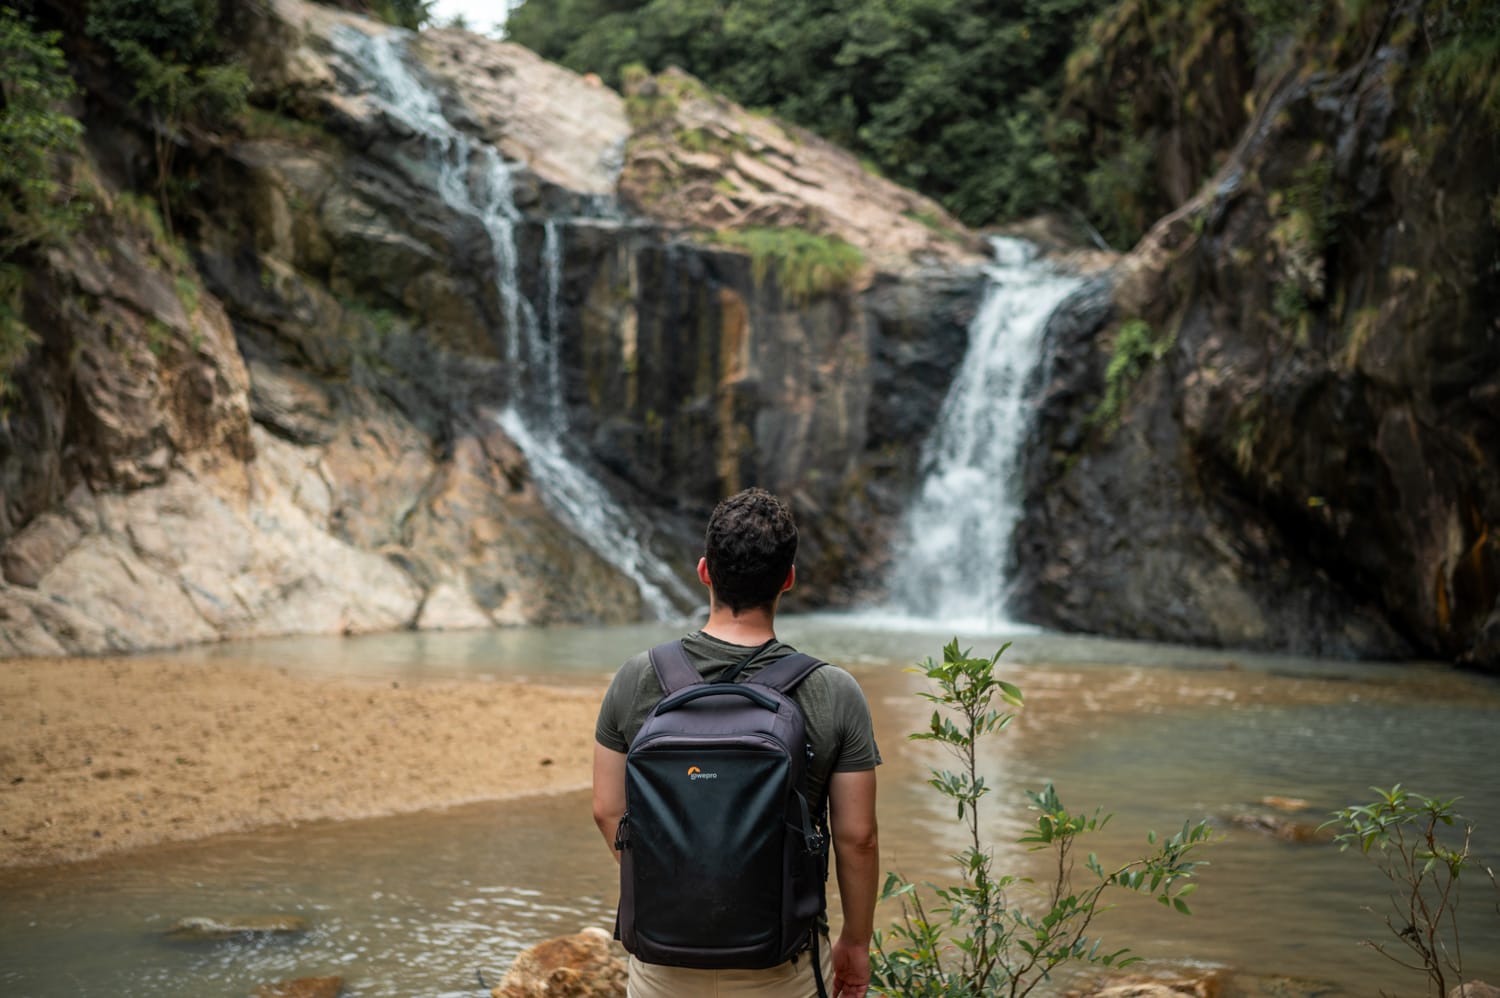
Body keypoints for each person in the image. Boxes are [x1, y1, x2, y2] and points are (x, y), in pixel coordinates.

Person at [593, 487, 882, 998]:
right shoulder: (833, 690)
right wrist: (855, 943)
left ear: (704, 571)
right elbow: (857, 838)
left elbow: (606, 810)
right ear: (788, 579)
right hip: (783, 961)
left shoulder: (636, 678)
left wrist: (686, 881)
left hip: (663, 959)